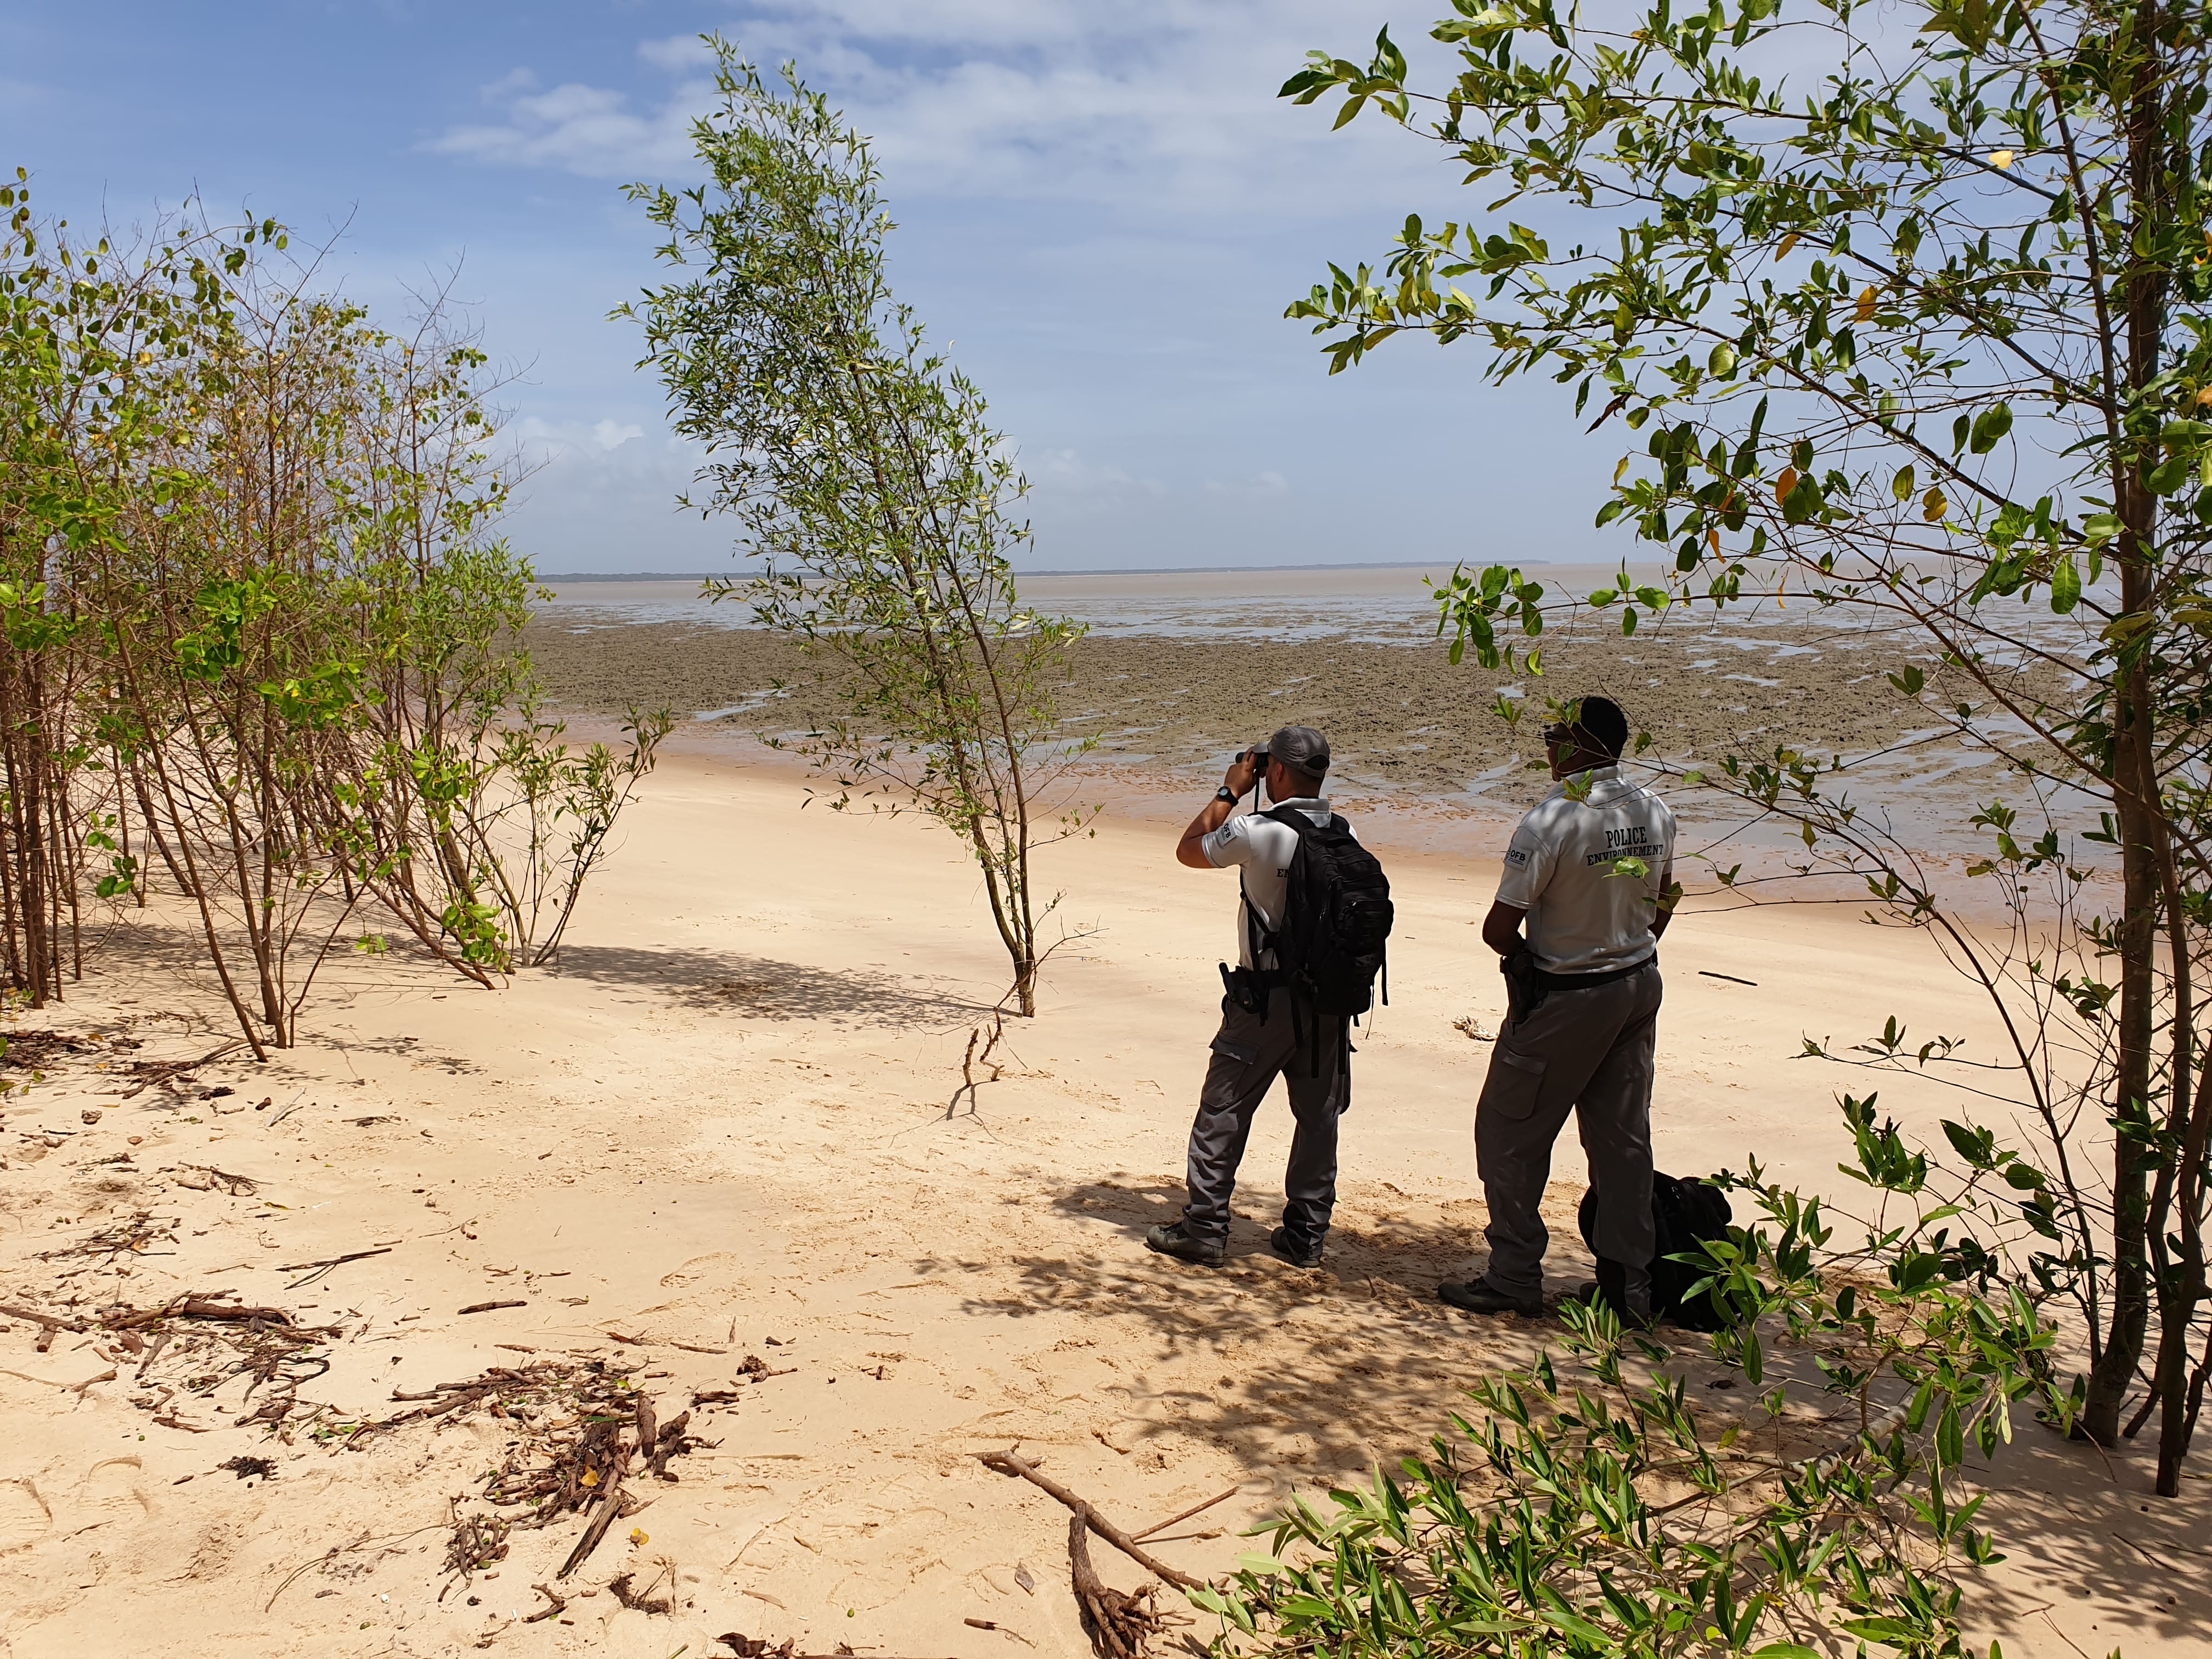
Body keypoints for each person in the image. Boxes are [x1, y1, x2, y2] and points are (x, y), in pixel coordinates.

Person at [1439, 695, 1677, 1321]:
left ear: (1582, 745)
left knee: (1508, 1134)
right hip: (1637, 984)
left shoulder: (1551, 821)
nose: (1545, 745)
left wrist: (1524, 966)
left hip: (1569, 995)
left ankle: (1514, 1274)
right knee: (1623, 1140)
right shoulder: (1655, 810)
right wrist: (1629, 944)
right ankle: (1631, 1291)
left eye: (1554, 735)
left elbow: (1499, 927)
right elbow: (1666, 900)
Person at [1147, 725, 1354, 1270]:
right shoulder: (1343, 832)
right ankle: (1306, 1237)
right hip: (1328, 1000)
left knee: (1224, 1110)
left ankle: (1205, 1229)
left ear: (1277, 772)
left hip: (1265, 1001)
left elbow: (1189, 850)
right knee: (1318, 1118)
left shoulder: (1259, 831)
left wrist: (1230, 789)